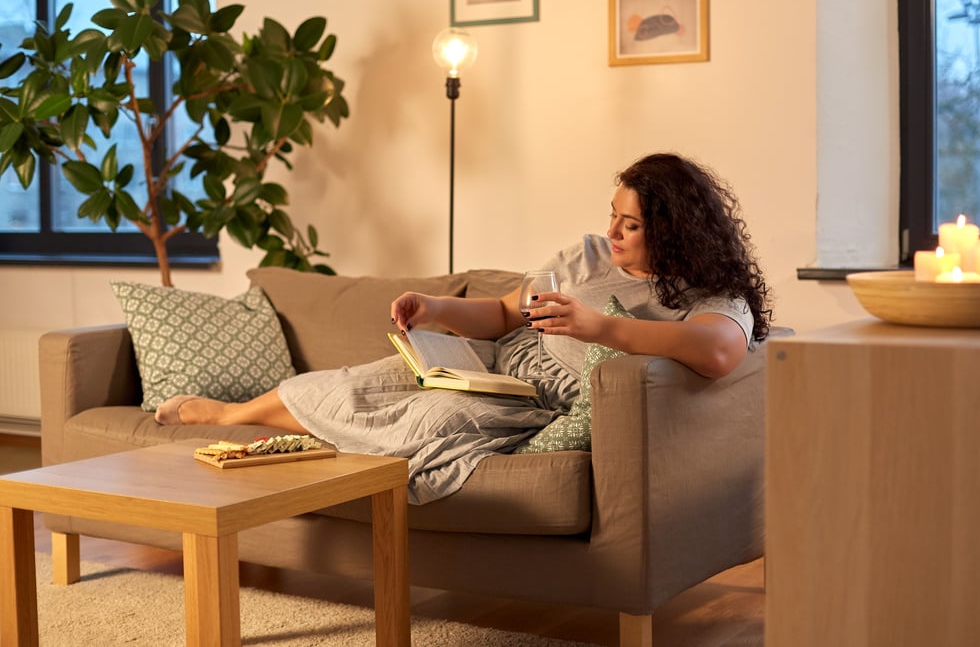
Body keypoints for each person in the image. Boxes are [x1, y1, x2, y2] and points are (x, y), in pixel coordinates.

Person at [156, 152, 772, 503]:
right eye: (612, 216)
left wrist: (598, 329)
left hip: (536, 402)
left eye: (629, 225)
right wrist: (438, 309)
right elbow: (506, 313)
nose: (611, 233)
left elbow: (718, 353)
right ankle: (228, 416)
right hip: (492, 361)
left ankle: (256, 431)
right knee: (357, 383)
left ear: (673, 229)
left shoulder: (710, 295)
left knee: (433, 420)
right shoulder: (587, 257)